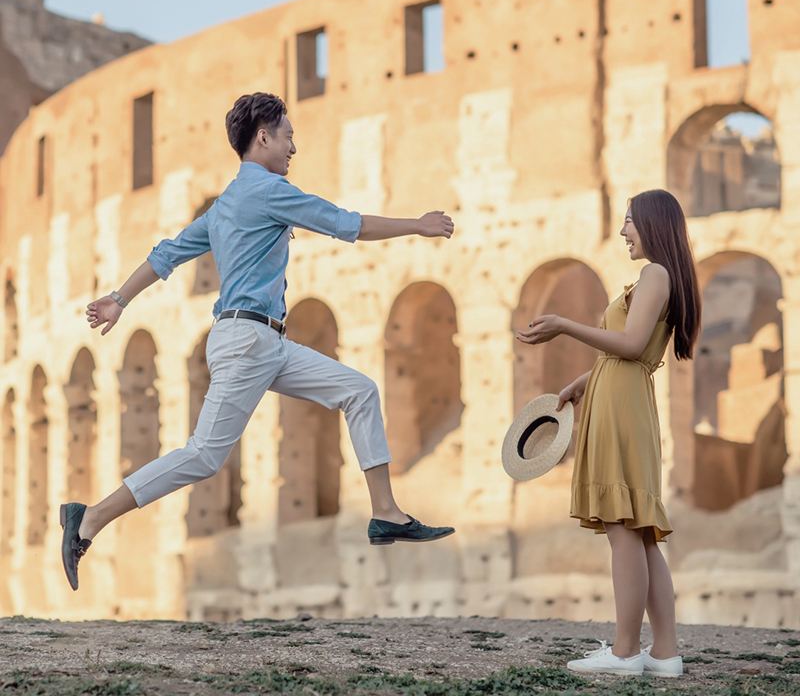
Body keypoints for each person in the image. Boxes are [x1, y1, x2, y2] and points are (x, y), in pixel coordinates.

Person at [60, 92, 456, 592]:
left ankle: (386, 514)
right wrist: (416, 226)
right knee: (204, 456)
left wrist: (120, 298)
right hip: (247, 341)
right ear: (263, 137)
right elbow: (343, 223)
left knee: (359, 391)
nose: (294, 146)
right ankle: (90, 517)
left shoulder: (225, 204)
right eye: (288, 135)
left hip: (265, 343)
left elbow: (167, 254)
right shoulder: (268, 191)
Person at [515, 189, 701, 678]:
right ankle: (665, 653)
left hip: (623, 405)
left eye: (629, 221)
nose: (623, 231)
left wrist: (564, 326)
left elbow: (632, 342)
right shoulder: (661, 276)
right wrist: (583, 381)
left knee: (623, 530)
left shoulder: (655, 274)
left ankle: (623, 652)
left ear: (652, 224)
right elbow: (629, 353)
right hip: (619, 394)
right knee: (639, 534)